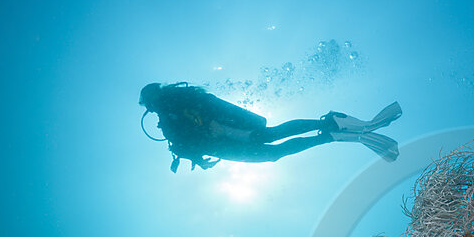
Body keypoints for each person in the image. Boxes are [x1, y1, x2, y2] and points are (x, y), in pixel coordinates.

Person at [139, 82, 401, 172]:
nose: (148, 109)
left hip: (223, 136)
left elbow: (185, 139)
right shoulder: (176, 101)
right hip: (222, 136)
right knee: (272, 140)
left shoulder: (169, 108)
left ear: (152, 98)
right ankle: (329, 126)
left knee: (272, 145)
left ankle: (328, 130)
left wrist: (195, 156)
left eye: (146, 104)